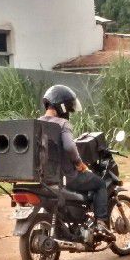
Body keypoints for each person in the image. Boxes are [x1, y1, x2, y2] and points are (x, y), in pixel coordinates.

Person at [39, 84, 114, 239]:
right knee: (99, 184)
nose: (70, 111)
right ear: (62, 106)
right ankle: (101, 223)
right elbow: (69, 146)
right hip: (68, 178)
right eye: (69, 107)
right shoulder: (62, 124)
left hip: (45, 178)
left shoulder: (37, 123)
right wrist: (79, 163)